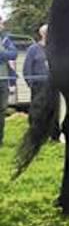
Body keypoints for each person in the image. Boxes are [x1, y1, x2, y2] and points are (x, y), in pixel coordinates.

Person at [23, 24, 60, 141]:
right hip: (38, 85)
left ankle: (54, 136)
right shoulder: (33, 49)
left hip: (54, 85)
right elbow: (27, 68)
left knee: (54, 110)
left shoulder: (56, 48)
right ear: (42, 34)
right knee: (37, 111)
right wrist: (31, 83)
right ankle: (35, 135)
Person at [0, 16, 18, 147]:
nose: (2, 25)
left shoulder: (5, 39)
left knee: (2, 110)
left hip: (3, 80)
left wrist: (2, 54)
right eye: (1, 23)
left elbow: (13, 54)